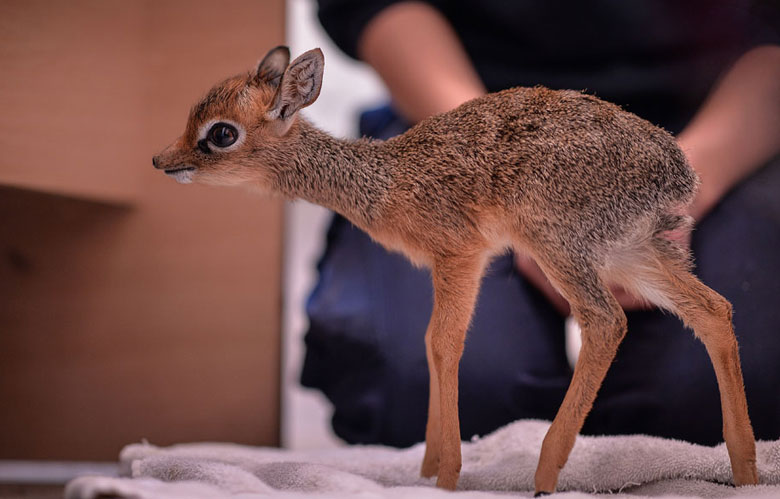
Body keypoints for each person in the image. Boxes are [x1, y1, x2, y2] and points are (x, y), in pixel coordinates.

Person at [301, 0, 780, 448]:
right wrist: (503, 179)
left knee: (710, 398)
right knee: (439, 389)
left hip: (726, 116)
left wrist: (682, 186)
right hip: (461, 115)